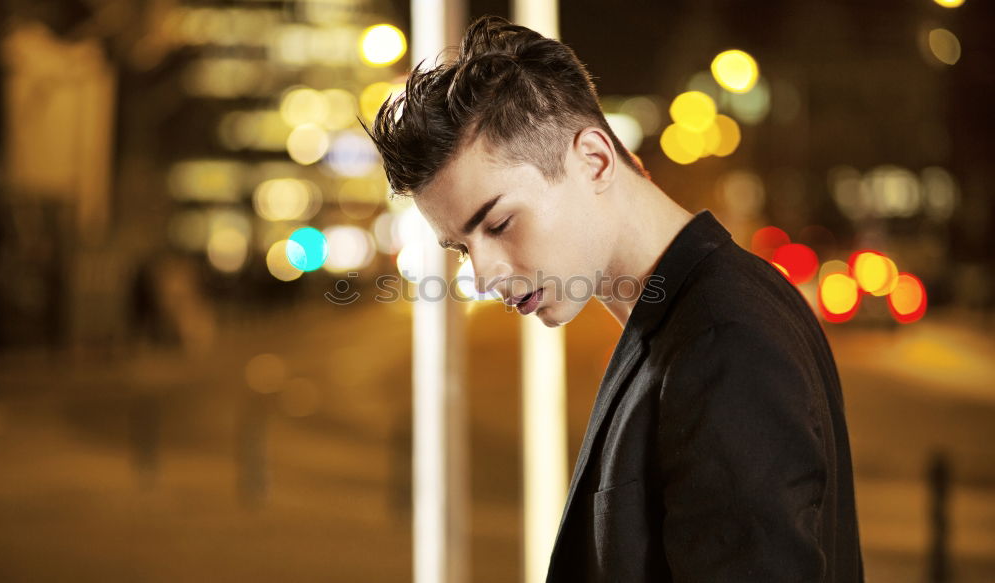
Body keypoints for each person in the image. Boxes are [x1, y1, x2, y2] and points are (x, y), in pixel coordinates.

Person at [362, 14, 864, 582]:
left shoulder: (723, 342)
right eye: (460, 247)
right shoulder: (688, 318)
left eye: (498, 224)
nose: (483, 274)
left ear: (595, 160)